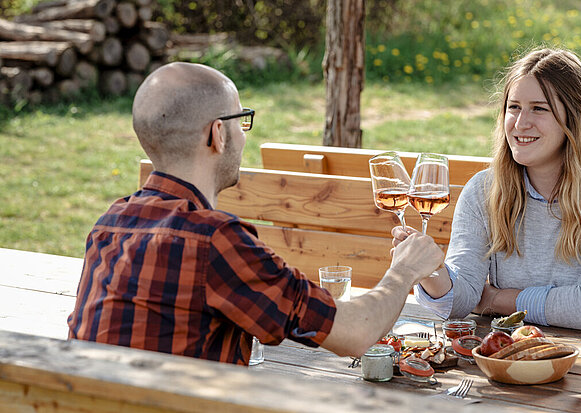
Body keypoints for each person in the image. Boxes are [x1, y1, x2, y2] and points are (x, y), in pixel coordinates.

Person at [67, 62, 445, 365]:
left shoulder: (110, 224)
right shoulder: (215, 241)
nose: (244, 135)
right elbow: (355, 334)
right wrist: (404, 271)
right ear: (218, 134)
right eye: (240, 120)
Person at [392, 47, 581, 334]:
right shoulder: (484, 190)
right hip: (516, 359)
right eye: (514, 107)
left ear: (575, 116)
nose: (520, 123)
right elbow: (463, 300)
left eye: (539, 108)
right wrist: (430, 270)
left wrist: (499, 299)